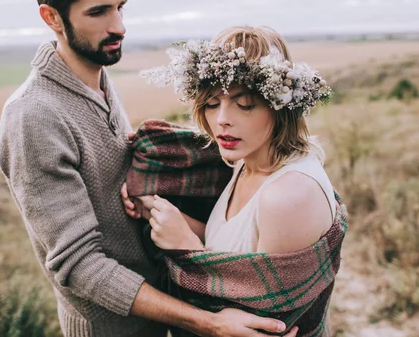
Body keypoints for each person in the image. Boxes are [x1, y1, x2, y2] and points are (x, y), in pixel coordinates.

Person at [0, 0, 295, 336]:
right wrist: (207, 322)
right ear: (52, 17)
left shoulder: (98, 78)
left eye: (120, 7)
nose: (118, 26)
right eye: (98, 12)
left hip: (158, 318)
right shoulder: (32, 116)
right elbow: (79, 265)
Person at [124, 26, 347, 336]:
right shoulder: (247, 162)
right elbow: (236, 244)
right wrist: (153, 209)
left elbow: (257, 327)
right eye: (213, 103)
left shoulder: (287, 196)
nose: (222, 119)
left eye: (245, 104)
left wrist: (186, 247)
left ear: (279, 105)